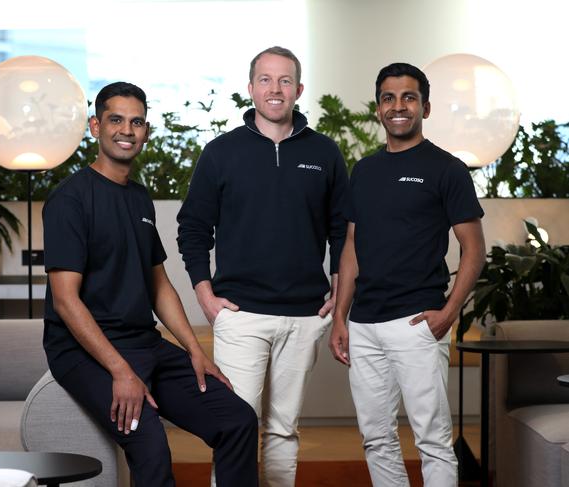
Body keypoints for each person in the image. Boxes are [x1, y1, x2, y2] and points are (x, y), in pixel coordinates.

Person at [42, 82, 258, 487]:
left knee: (237, 420)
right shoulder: (70, 200)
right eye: (116, 120)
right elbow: (66, 301)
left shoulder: (139, 198)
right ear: (95, 126)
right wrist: (121, 371)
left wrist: (196, 351)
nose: (127, 130)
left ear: (146, 131)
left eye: (137, 122)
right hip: (83, 352)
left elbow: (159, 285)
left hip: (142, 342)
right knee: (152, 448)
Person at [177, 46, 348, 486]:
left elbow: (342, 230)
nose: (275, 89)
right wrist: (205, 295)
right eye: (266, 80)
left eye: (285, 80)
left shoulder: (325, 154)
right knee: (236, 430)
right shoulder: (220, 153)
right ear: (251, 88)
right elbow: (193, 228)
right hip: (240, 314)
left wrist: (336, 290)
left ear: (299, 90)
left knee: (284, 430)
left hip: (306, 315)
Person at [329, 62, 486, 487]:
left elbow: (475, 249)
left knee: (432, 441)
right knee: (376, 439)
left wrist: (449, 311)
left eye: (408, 98)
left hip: (418, 323)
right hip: (364, 325)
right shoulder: (363, 171)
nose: (398, 106)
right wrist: (341, 316)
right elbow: (351, 247)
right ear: (379, 109)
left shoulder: (446, 169)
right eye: (388, 98)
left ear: (425, 107)